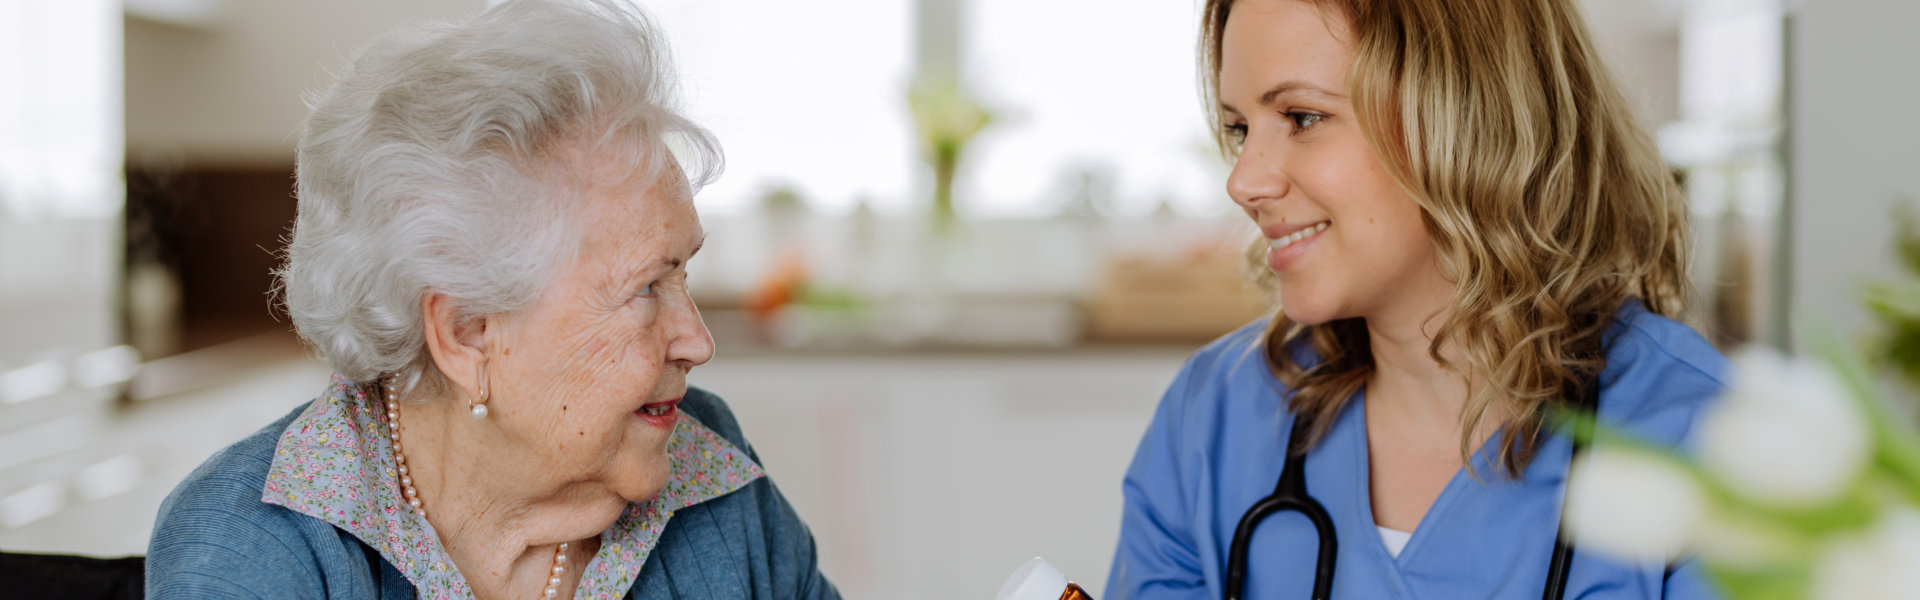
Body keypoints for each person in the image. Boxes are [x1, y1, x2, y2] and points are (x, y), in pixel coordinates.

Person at [144, 1, 839, 598]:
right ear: (469, 333)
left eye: (683, 272)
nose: (697, 340)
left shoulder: (709, 468)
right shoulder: (251, 547)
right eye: (645, 288)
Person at [1107, 0, 1726, 597]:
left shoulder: (1714, 447)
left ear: (1470, 117)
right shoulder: (1217, 418)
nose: (1243, 181)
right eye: (1242, 128)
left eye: (1301, 117)